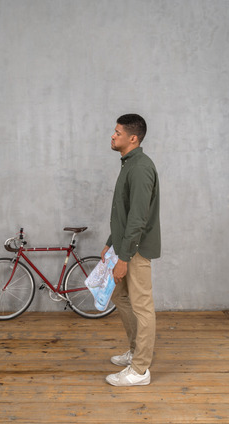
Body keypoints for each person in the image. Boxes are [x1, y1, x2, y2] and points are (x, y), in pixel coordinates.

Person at [101, 114, 161, 386]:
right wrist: (110, 242)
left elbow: (138, 217)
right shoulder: (129, 164)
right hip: (124, 246)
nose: (113, 136)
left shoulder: (140, 167)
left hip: (135, 250)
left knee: (142, 306)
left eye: (117, 132)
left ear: (132, 138)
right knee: (120, 297)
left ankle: (140, 370)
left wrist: (124, 257)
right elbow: (123, 213)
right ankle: (137, 350)